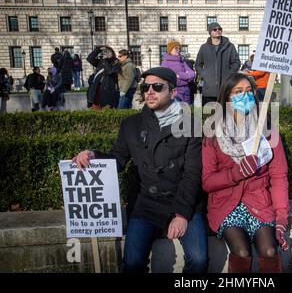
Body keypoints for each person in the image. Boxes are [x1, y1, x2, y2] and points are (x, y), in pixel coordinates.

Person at [72, 67, 208, 273]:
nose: (149, 92)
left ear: (172, 93)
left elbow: (193, 174)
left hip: (184, 202)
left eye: (157, 87)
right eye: (145, 87)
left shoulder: (191, 124)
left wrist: (181, 214)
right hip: (147, 204)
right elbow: (117, 160)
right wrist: (93, 155)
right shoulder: (131, 125)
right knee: (133, 262)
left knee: (198, 260)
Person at [202, 73, 290, 273]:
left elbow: (278, 177)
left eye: (249, 92)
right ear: (226, 98)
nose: (245, 97)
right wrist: (236, 173)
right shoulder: (212, 131)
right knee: (241, 252)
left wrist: (282, 218)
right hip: (226, 205)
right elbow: (207, 181)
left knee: (269, 250)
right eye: (238, 92)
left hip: (259, 203)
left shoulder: (267, 130)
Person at [195, 22, 241, 105]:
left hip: (225, 87)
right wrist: (204, 74)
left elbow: (236, 62)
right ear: (210, 32)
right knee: (209, 114)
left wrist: (229, 74)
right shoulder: (204, 47)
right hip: (209, 88)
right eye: (215, 29)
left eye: (220, 29)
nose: (218, 31)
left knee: (226, 114)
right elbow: (198, 64)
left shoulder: (230, 46)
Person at [162, 40, 196, 104]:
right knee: (177, 112)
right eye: (176, 48)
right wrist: (186, 78)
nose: (179, 50)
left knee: (186, 112)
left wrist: (179, 75)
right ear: (170, 50)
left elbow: (192, 74)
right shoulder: (165, 62)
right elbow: (168, 78)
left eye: (179, 48)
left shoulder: (182, 61)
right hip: (175, 92)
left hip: (186, 92)